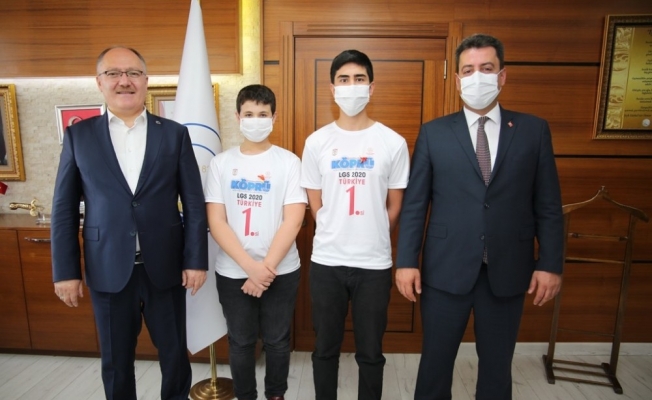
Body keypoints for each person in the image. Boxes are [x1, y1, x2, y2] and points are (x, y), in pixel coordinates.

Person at [395, 33, 564, 400]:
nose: (477, 77)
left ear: (502, 76)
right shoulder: (434, 133)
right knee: (435, 364)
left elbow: (548, 204)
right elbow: (415, 204)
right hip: (445, 269)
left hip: (507, 270)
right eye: (468, 70)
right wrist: (406, 261)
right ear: (457, 80)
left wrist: (550, 264)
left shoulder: (533, 130)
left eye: (486, 68)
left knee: (497, 367)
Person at [51, 46, 208, 400]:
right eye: (113, 73)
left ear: (145, 80)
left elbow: (194, 203)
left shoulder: (174, 134)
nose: (125, 81)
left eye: (133, 73)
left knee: (175, 357)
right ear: (99, 82)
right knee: (116, 362)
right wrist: (65, 271)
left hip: (165, 268)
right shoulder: (79, 136)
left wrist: (196, 260)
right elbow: (63, 208)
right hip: (107, 267)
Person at [301, 49, 410, 400]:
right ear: (332, 89)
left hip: (374, 264)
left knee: (371, 352)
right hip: (327, 262)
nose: (351, 86)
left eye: (359, 79)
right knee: (324, 349)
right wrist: (337, 228)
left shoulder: (392, 142)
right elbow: (315, 203)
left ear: (371, 87)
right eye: (343, 80)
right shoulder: (316, 142)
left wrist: (370, 231)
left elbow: (395, 205)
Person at [205, 84, 307, 400]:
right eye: (249, 114)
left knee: (277, 340)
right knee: (240, 341)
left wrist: (265, 269)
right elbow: (216, 221)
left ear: (274, 118)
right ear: (238, 117)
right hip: (233, 272)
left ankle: (276, 394)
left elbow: (294, 219)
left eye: (263, 114)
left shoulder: (289, 162)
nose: (256, 120)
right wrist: (251, 268)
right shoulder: (221, 163)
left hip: (281, 270)